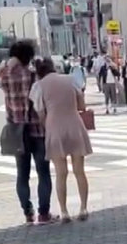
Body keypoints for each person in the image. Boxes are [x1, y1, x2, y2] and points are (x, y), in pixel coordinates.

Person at [0, 40, 54, 225]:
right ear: (29, 56)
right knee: (43, 172)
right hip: (38, 130)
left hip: (17, 132)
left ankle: (28, 212)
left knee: (22, 174)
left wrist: (9, 63)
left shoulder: (5, 76)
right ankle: (44, 214)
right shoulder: (34, 76)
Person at [31, 58, 92, 223]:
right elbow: (82, 106)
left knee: (61, 173)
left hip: (54, 128)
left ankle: (64, 212)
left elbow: (40, 113)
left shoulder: (38, 86)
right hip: (75, 125)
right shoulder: (70, 80)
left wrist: (48, 123)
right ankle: (83, 208)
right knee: (79, 171)